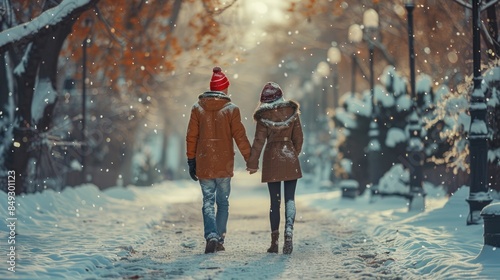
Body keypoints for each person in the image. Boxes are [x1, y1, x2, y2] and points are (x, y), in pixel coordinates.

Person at [186, 66, 251, 254]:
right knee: (222, 202)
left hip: (205, 162)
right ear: (223, 89)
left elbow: (191, 137)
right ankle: (220, 238)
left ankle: (211, 235)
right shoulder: (232, 110)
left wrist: (191, 160)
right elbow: (240, 136)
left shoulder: (197, 109)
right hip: (224, 164)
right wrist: (250, 158)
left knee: (207, 201)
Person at [246, 82, 303, 255]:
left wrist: (253, 163)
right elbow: (299, 138)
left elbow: (258, 142)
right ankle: (289, 232)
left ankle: (275, 242)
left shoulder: (263, 116)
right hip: (289, 155)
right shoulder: (293, 112)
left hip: (272, 158)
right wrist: (292, 153)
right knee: (290, 199)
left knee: (274, 203)